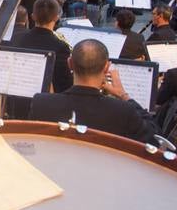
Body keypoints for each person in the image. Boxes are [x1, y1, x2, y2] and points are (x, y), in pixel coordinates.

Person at [28, 39, 158, 142]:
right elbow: (155, 137)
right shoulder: (124, 111)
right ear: (106, 67)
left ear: (70, 64)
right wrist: (123, 95)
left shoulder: (41, 102)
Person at [10, 0, 72, 92]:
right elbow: (64, 83)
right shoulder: (61, 47)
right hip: (46, 101)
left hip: (16, 96)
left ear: (33, 17)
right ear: (56, 18)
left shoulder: (17, 38)